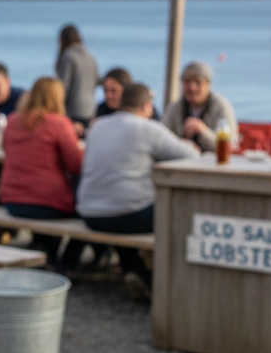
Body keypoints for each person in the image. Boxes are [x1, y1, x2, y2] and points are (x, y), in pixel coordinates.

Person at [78, 83, 198, 301]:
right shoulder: (148, 129)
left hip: (90, 215)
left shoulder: (98, 127)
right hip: (129, 216)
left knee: (120, 205)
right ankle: (166, 282)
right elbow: (191, 156)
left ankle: (136, 272)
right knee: (175, 216)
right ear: (147, 106)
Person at [0, 76, 85, 272]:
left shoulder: (12, 122)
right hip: (48, 203)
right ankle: (67, 264)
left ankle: (43, 250)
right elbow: (76, 164)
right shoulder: (59, 123)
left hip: (12, 201)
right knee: (88, 211)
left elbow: (6, 150)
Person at [161, 61, 236, 153]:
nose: (192, 87)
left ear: (208, 84)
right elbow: (161, 139)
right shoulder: (174, 108)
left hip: (211, 164)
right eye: (187, 82)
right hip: (180, 162)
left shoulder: (221, 107)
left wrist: (203, 131)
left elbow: (231, 145)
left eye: (198, 82)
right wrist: (180, 144)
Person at [55, 25, 99, 129]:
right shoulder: (89, 55)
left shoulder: (68, 55)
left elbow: (63, 86)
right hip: (90, 109)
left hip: (72, 110)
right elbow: (97, 80)